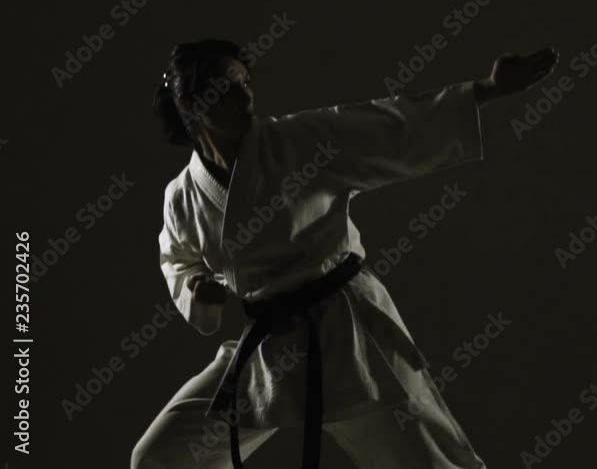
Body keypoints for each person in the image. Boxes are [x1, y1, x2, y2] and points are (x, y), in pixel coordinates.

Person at [133, 39, 559, 469]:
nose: (245, 97)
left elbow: (387, 125)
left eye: (246, 82)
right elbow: (178, 260)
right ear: (190, 104)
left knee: (432, 463)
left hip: (347, 336)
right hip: (270, 346)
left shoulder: (299, 141)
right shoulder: (181, 196)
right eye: (226, 87)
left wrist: (487, 89)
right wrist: (197, 289)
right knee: (159, 457)